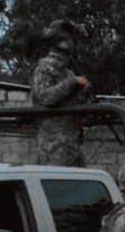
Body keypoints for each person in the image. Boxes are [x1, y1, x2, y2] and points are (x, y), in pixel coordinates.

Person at [31, 18, 92, 167]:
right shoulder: (45, 67)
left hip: (72, 146)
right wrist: (72, 83)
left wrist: (84, 94)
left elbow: (75, 102)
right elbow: (44, 96)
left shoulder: (68, 72)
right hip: (53, 148)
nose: (75, 45)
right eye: (72, 40)